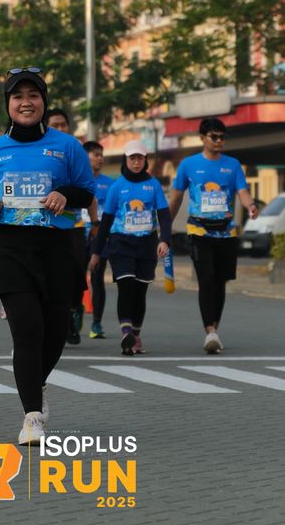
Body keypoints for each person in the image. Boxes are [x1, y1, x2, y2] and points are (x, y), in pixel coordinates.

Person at [0, 68, 95, 445]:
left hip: (56, 247)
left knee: (55, 331)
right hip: (10, 249)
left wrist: (64, 195)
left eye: (33, 95)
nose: (26, 103)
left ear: (44, 102)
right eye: (18, 96)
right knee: (27, 329)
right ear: (8, 104)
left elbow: (86, 191)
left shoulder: (67, 147)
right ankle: (32, 417)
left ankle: (34, 382)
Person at [169, 117, 258, 354]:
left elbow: (242, 192)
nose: (219, 141)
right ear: (202, 138)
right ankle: (209, 331)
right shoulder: (188, 165)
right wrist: (165, 226)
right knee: (206, 279)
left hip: (226, 233)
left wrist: (250, 206)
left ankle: (214, 329)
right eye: (214, 137)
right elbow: (176, 198)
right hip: (199, 231)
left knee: (220, 282)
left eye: (222, 137)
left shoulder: (233, 165)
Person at [89, 140, 171, 355]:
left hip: (146, 244)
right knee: (126, 287)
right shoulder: (117, 187)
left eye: (140, 158)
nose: (136, 162)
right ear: (125, 160)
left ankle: (136, 334)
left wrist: (165, 240)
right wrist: (96, 252)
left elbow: (164, 215)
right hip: (121, 243)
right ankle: (126, 333)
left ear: (145, 161)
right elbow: (105, 222)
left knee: (139, 291)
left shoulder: (153, 185)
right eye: (132, 158)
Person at [46, 107, 87, 345]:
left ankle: (74, 309)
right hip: (45, 227)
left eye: (64, 124)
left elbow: (87, 191)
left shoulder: (75, 151)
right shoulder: (41, 152)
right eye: (55, 125)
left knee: (76, 273)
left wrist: (95, 223)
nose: (61, 129)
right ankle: (60, 319)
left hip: (75, 225)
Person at [82, 141, 115, 339]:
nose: (100, 158)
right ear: (85, 157)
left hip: (100, 237)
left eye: (101, 154)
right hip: (78, 234)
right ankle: (75, 314)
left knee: (97, 278)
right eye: (96, 154)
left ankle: (96, 323)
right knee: (75, 279)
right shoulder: (76, 179)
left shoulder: (110, 184)